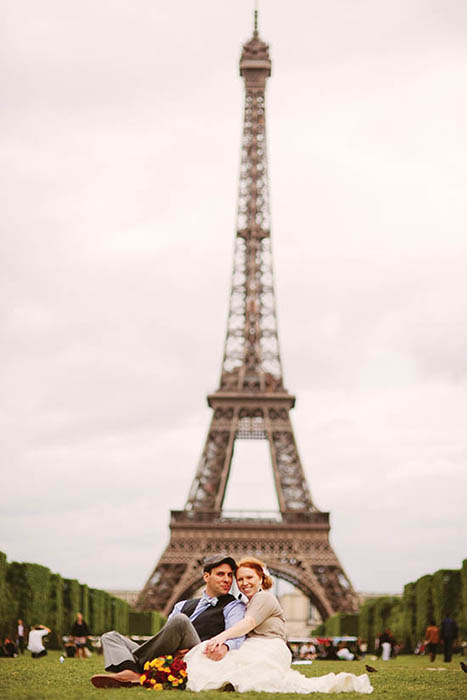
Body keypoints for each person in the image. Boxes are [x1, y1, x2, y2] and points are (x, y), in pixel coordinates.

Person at [185, 557, 373, 694]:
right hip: (253, 645)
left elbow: (248, 623)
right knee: (227, 662)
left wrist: (221, 637)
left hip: (270, 646)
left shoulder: (265, 597)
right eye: (240, 579)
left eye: (249, 578)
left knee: (248, 670)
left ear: (260, 578)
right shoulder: (245, 603)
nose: (244, 583)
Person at [91, 553, 246, 689]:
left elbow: (236, 633)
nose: (227, 579)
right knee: (109, 636)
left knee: (180, 621)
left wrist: (225, 646)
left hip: (198, 650)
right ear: (206, 576)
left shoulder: (233, 605)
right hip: (170, 651)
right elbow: (167, 635)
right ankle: (132, 673)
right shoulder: (182, 605)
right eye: (220, 574)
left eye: (230, 575)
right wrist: (173, 649)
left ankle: (135, 665)